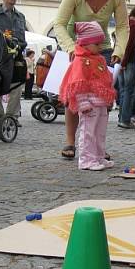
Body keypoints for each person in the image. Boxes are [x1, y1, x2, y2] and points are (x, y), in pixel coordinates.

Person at [54, 0, 129, 159]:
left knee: (100, 99)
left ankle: (97, 146)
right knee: (76, 94)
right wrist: (69, 47)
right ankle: (71, 142)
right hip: (77, 47)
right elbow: (59, 23)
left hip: (102, 48)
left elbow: (123, 26)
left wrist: (119, 50)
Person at [58, 22, 116, 170]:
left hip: (100, 103)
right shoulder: (80, 61)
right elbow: (78, 83)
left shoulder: (99, 59)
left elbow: (106, 80)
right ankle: (86, 160)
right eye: (97, 44)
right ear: (85, 43)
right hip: (89, 104)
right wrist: (83, 103)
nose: (100, 47)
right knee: (88, 132)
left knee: (100, 132)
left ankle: (98, 157)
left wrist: (108, 99)